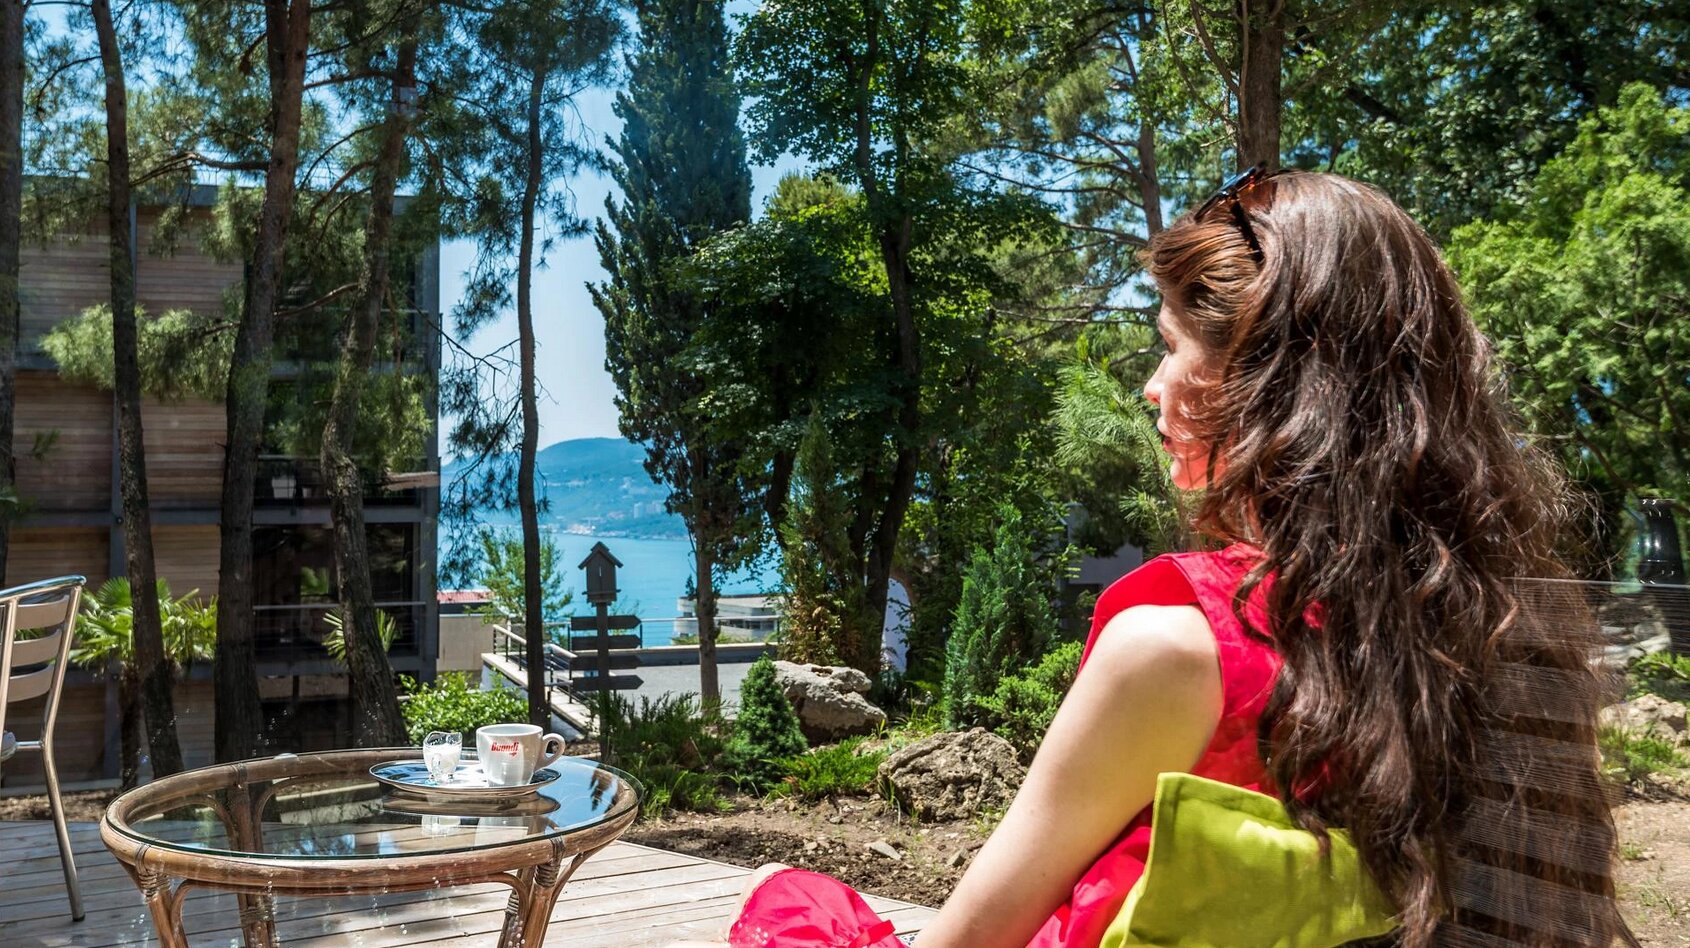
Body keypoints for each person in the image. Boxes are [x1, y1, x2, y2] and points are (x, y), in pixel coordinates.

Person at [672, 167, 1634, 948]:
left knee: (783, 898)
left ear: (1268, 384)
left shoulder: (1179, 653)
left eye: (1170, 347)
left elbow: (970, 938)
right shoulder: (1488, 630)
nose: (1150, 385)